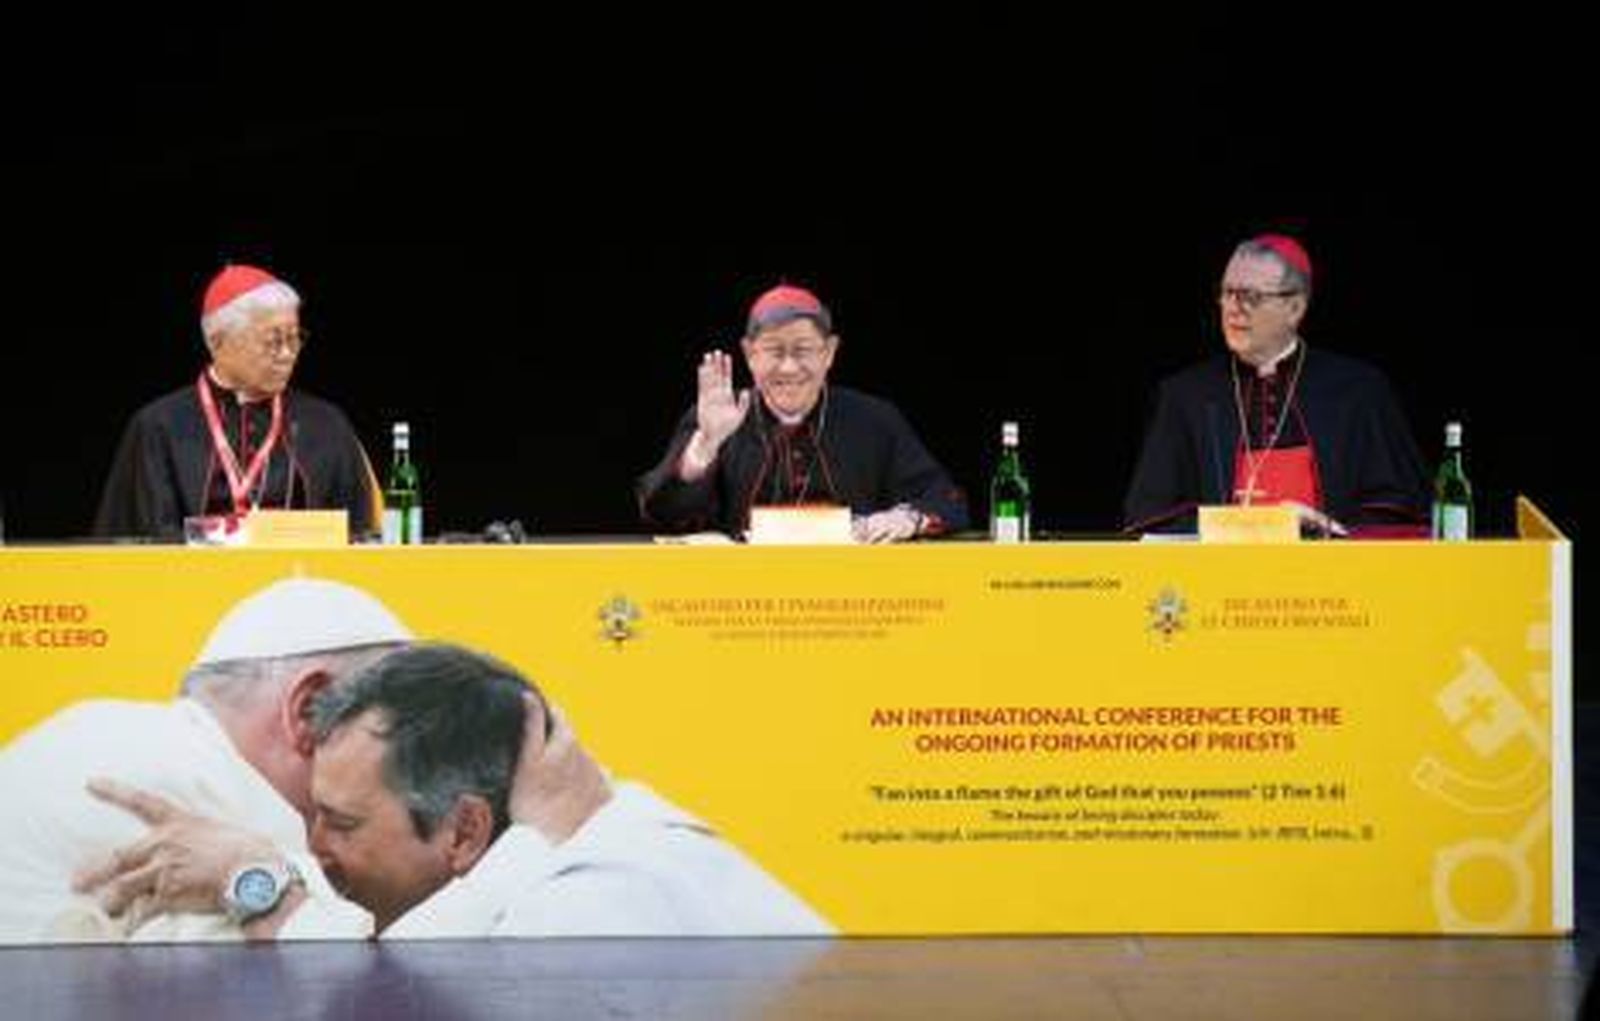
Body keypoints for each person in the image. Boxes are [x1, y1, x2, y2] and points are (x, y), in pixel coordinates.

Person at [77, 643, 835, 939]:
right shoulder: (557, 844)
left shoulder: (598, 905)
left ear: (466, 831)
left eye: (341, 822)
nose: (312, 846)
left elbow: (395, 1001)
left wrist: (262, 889)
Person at [0, 577, 412, 943]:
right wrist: (269, 887)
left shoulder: (102, 728)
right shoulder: (196, 795)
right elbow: (353, 986)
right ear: (308, 711)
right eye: (396, 736)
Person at [1122, 234, 1429, 535]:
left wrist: (1321, 529)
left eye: (1251, 296)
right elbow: (1150, 518)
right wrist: (1264, 526)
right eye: (1227, 292)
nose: (1233, 308)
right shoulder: (1186, 395)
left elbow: (1400, 512)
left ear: (1295, 308)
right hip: (1221, 568)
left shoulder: (1358, 390)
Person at [638, 283, 968, 542]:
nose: (789, 367)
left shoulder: (875, 420)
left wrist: (907, 519)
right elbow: (661, 514)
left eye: (803, 350)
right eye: (774, 351)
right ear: (749, 354)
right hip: (740, 597)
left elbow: (947, 501)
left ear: (829, 352)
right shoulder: (715, 417)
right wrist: (705, 447)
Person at [93, 264, 381, 540]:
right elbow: (144, 546)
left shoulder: (327, 423)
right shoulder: (159, 427)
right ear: (217, 342)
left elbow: (362, 538)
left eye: (294, 338)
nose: (287, 354)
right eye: (272, 341)